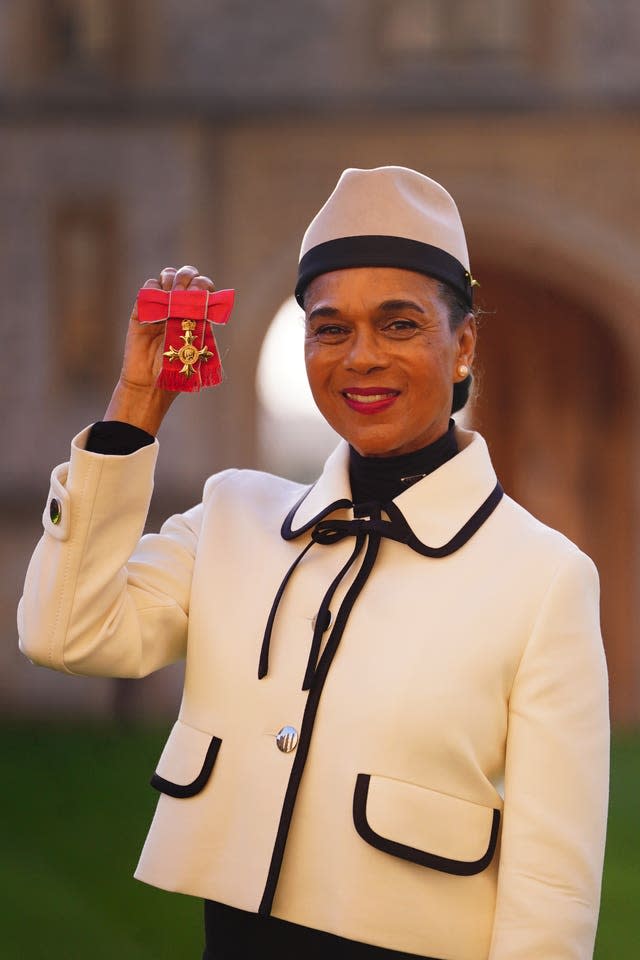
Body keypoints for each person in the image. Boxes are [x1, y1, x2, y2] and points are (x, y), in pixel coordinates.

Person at [18, 166, 609, 959]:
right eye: (331, 329)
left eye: (399, 325)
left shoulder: (543, 578)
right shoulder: (233, 519)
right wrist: (132, 411)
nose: (360, 357)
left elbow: (551, 891)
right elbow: (65, 633)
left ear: (463, 343)